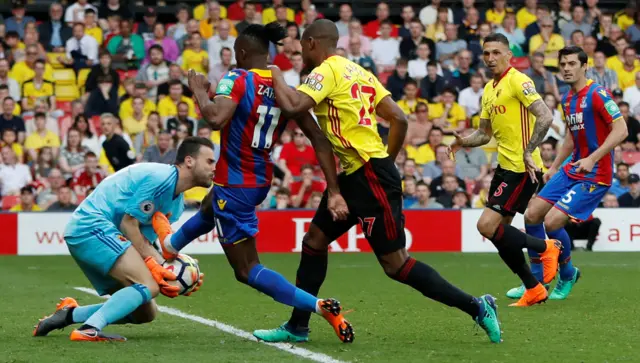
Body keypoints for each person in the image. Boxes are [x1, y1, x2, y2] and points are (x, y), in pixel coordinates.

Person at [260, 19, 501, 344]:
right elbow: (398, 118)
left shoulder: (327, 70)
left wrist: (273, 72)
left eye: (303, 47)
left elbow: (292, 107)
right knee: (314, 241)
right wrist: (384, 159)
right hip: (358, 173)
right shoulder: (358, 72)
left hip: (370, 174)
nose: (302, 53)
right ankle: (298, 325)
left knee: (395, 265)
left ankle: (478, 306)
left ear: (314, 43)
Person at [149, 23, 354, 342]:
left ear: (242, 53)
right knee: (208, 206)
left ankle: (318, 306)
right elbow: (318, 137)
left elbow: (215, 118)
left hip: (235, 184)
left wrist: (199, 89)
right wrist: (335, 189)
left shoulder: (237, 78)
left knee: (247, 270)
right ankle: (168, 246)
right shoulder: (285, 88)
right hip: (259, 179)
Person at [32, 137, 214, 341]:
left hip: (106, 233)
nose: (214, 168)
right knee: (149, 286)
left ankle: (69, 314)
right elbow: (128, 225)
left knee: (145, 312)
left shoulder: (177, 205)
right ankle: (89, 329)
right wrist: (160, 265)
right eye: (209, 161)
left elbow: (144, 241)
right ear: (189, 161)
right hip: (92, 226)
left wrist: (177, 268)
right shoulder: (162, 178)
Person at [504, 47, 628, 301]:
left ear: (585, 66)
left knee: (551, 222)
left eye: (572, 63)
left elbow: (622, 129)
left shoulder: (597, 94)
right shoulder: (567, 99)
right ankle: (536, 282)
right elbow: (572, 137)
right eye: (563, 64)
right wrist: (554, 167)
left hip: (596, 173)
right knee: (532, 215)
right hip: (573, 167)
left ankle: (568, 272)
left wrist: (592, 158)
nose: (567, 68)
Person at [448, 33, 561, 307]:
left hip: (522, 168)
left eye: (496, 52)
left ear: (508, 55)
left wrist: (528, 149)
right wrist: (464, 142)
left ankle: (546, 248)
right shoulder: (489, 90)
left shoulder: (518, 80)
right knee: (502, 237)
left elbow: (545, 116)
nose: (490, 58)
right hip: (504, 167)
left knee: (486, 226)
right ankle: (533, 288)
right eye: (486, 53)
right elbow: (484, 134)